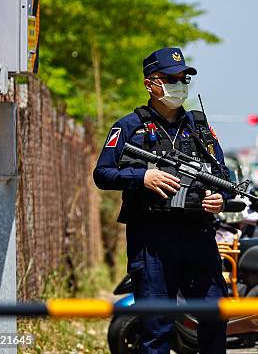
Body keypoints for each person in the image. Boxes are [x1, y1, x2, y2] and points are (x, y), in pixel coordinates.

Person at [93, 47, 229, 353]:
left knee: (214, 317)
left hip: (198, 236)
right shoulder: (128, 126)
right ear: (149, 83)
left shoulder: (200, 128)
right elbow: (102, 174)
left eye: (183, 78)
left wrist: (220, 197)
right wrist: (142, 178)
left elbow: (225, 176)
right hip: (152, 240)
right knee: (156, 329)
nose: (179, 84)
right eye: (170, 78)